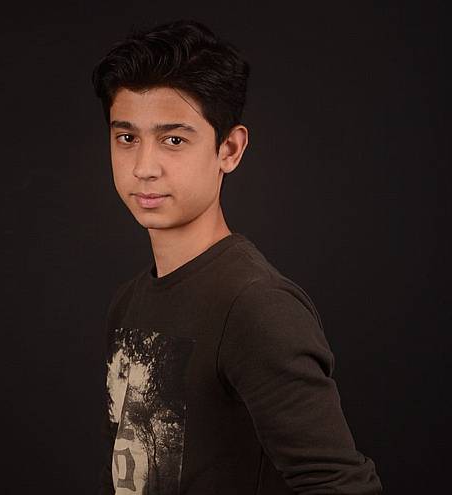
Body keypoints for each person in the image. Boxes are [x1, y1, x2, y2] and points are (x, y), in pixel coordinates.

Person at [91, 18, 383, 495]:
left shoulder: (255, 305)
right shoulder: (129, 301)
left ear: (229, 149)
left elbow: (341, 484)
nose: (143, 167)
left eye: (174, 140)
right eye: (127, 138)